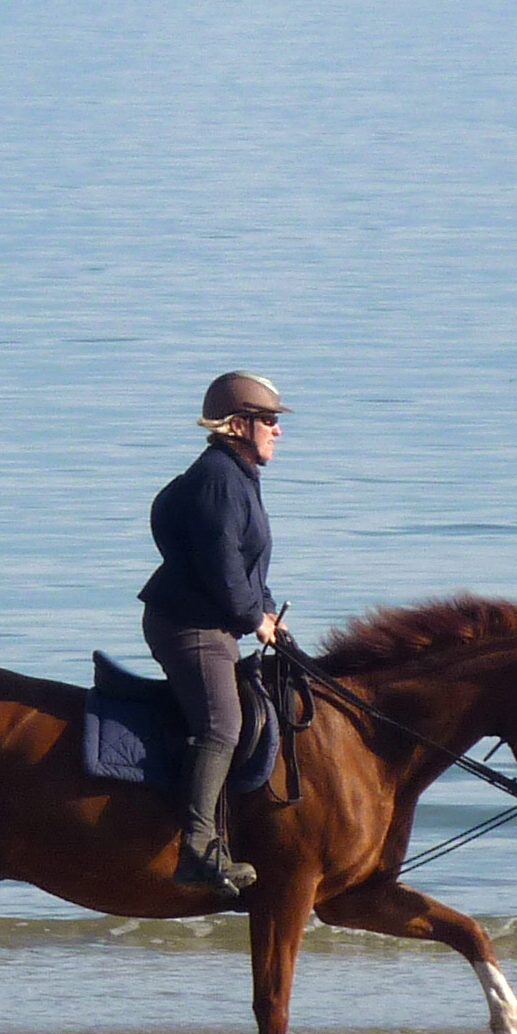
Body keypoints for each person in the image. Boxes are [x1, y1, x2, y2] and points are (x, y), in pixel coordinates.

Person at [137, 370, 290, 897]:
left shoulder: (239, 477)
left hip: (216, 620)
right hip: (191, 627)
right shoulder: (220, 478)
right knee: (222, 725)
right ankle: (199, 851)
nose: (278, 430)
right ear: (238, 425)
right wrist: (253, 618)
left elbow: (248, 569)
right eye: (269, 420)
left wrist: (266, 611)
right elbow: (222, 563)